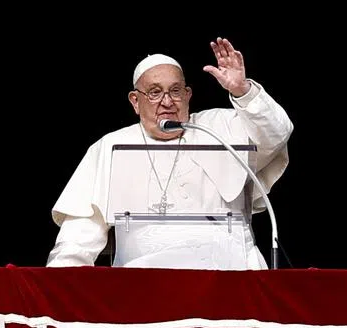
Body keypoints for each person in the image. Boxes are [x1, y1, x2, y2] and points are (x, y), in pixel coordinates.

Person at [46, 37, 294, 269]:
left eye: (175, 91)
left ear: (187, 95)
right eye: (155, 92)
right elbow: (80, 232)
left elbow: (276, 133)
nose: (167, 102)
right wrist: (61, 280)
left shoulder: (219, 128)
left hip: (230, 274)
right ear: (135, 101)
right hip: (145, 279)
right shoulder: (111, 146)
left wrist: (243, 91)